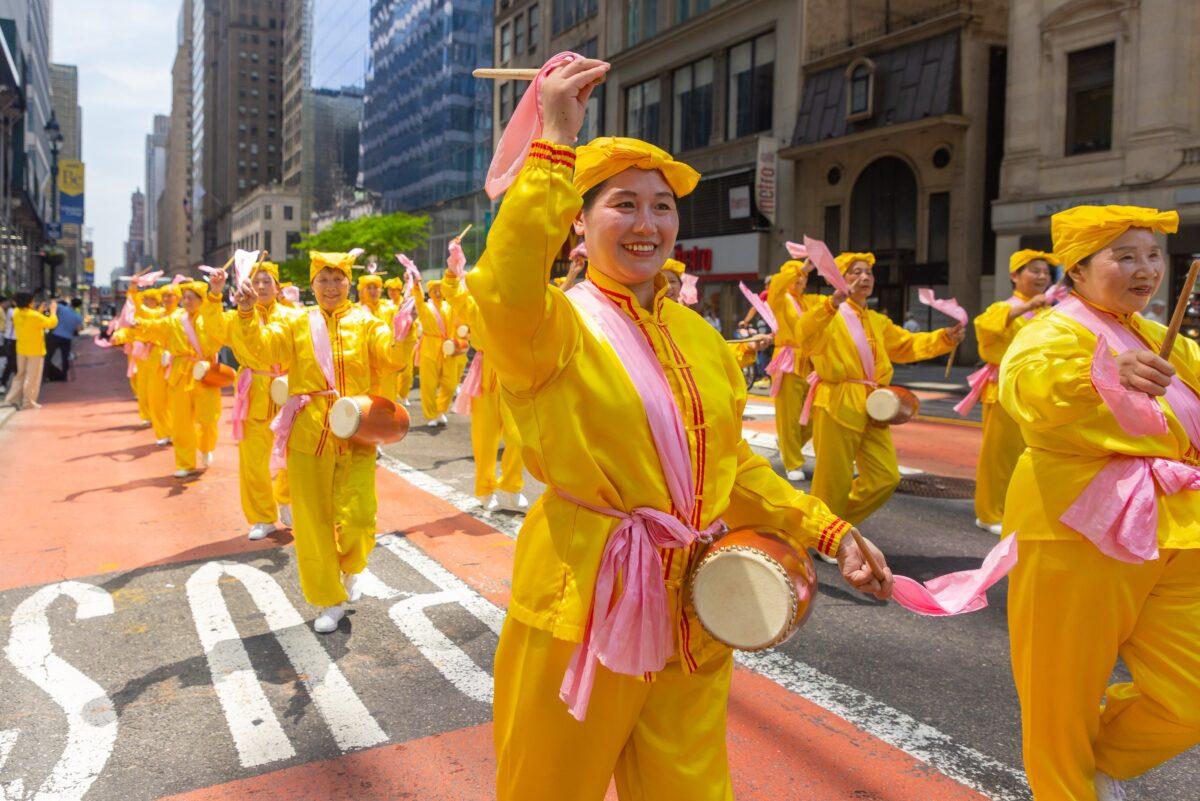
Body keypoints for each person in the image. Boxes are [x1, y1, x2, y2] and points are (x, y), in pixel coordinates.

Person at [471, 58, 894, 801]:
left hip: (695, 604)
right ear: (579, 219)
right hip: (586, 603)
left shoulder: (701, 338)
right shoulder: (552, 328)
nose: (647, 224)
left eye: (662, 207)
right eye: (623, 205)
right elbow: (504, 285)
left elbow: (732, 469)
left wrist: (829, 530)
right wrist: (554, 143)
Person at [999, 205, 1200, 801]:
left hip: (1176, 529)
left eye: (1154, 255)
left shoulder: (1165, 341)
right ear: (1079, 272)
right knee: (1060, 694)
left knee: (1188, 695)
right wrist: (1105, 374)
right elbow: (1028, 385)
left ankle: (1088, 763)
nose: (1146, 270)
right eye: (1126, 256)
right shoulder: (1053, 331)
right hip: (1077, 527)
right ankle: (1064, 787)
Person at [231, 250, 417, 633]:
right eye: (324, 280)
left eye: (338, 280)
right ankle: (329, 600)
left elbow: (392, 357)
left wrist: (404, 328)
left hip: (357, 429)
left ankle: (351, 569)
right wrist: (247, 314)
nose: (331, 288)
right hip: (309, 430)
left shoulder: (367, 323)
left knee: (360, 516)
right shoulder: (297, 323)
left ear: (349, 283)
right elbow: (262, 352)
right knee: (313, 522)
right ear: (312, 284)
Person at [799, 252, 964, 529]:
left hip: (874, 404)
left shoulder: (877, 320)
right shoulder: (826, 310)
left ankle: (827, 529)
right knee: (833, 478)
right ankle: (828, 535)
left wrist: (944, 338)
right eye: (856, 272)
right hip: (838, 401)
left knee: (885, 477)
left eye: (869, 273)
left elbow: (906, 345)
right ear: (839, 280)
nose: (865, 278)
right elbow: (805, 334)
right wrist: (832, 304)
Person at [968, 249, 1057, 535]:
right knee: (1000, 454)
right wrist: (1028, 305)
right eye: (1034, 270)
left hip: (1039, 388)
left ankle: (1020, 509)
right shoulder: (1005, 307)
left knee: (1033, 452)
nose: (1042, 276)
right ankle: (989, 513)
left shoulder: (1048, 311)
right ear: (1014, 276)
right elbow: (984, 325)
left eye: (1045, 272)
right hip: (1005, 387)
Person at [225, 260, 300, 540]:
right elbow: (214, 331)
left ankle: (285, 498)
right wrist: (214, 296)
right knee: (254, 462)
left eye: (266, 281)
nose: (260, 287)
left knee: (294, 456)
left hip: (288, 392)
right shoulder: (238, 317)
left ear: (278, 287)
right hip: (254, 392)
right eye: (255, 281)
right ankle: (262, 517)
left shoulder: (294, 317)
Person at [128, 274, 228, 477]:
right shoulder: (175, 320)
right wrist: (139, 325)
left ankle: (207, 446)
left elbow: (218, 338)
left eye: (191, 297)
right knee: (181, 422)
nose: (187, 301)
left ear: (201, 300)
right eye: (185, 297)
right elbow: (157, 327)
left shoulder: (209, 319)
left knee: (208, 419)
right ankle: (185, 463)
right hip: (180, 374)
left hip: (205, 372)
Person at [766, 258, 819, 481]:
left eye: (804, 276)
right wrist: (800, 267)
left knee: (816, 415)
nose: (799, 279)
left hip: (811, 363)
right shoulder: (780, 299)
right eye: (795, 275)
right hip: (788, 361)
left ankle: (790, 445)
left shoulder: (809, 301)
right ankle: (792, 461)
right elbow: (776, 285)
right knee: (788, 416)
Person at [415, 272, 464, 427]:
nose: (437, 292)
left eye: (439, 289)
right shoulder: (425, 308)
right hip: (429, 348)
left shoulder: (449, 307)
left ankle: (441, 410)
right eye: (434, 290)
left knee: (450, 384)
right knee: (428, 386)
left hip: (447, 348)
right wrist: (416, 285)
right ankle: (431, 415)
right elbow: (417, 299)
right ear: (429, 293)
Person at [3, 293, 57, 410]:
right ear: (29, 302)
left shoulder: (16, 312)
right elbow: (51, 323)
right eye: (32, 301)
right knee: (32, 377)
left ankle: (12, 399)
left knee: (20, 375)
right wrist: (53, 311)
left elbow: (30, 317)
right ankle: (28, 403)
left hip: (21, 348)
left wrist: (39, 310)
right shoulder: (34, 316)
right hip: (35, 350)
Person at [44, 297, 83, 381]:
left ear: (71, 302)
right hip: (67, 338)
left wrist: (58, 299)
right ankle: (64, 377)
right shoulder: (78, 317)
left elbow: (52, 304)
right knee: (65, 358)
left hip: (56, 335)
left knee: (48, 356)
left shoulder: (62, 308)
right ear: (79, 306)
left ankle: (45, 376)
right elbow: (78, 329)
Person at [0, 295, 15, 393]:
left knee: (9, 362)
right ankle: (3, 382)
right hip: (7, 338)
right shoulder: (10, 311)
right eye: (6, 302)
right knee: (8, 361)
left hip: (6, 337)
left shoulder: (5, 310)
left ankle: (4, 382)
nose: (7, 304)